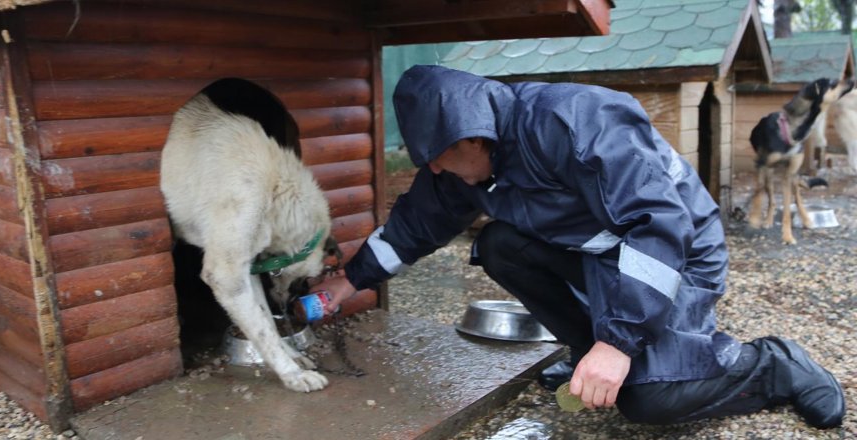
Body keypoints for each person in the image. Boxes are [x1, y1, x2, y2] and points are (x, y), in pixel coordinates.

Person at [310, 65, 845, 428]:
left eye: (437, 154)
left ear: (472, 137)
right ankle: (588, 352)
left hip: (675, 253)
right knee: (499, 245)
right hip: (603, 252)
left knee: (647, 399)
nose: (430, 168)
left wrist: (619, 345)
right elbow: (414, 227)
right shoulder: (462, 165)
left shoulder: (575, 120)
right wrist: (348, 281)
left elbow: (657, 225)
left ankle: (772, 364)